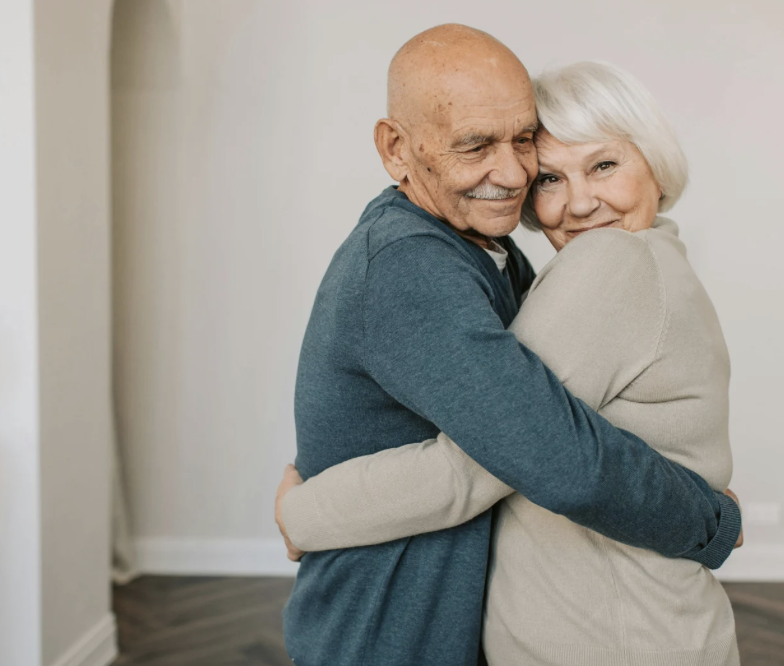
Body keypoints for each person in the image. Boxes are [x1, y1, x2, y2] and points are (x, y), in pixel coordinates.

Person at [280, 25, 742, 666]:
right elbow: (545, 454)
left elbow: (542, 448)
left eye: (523, 141)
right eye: (476, 145)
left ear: (654, 162)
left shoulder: (506, 256)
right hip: (384, 632)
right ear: (396, 149)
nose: (514, 173)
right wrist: (710, 517)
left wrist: (301, 508)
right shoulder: (411, 261)